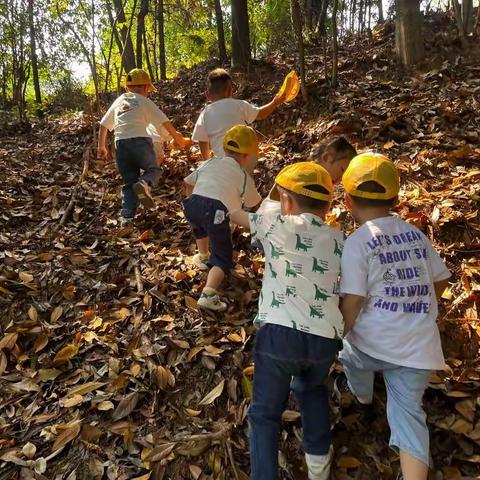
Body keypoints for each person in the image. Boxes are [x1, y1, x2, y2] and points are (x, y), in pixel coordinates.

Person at [335, 152, 451, 480]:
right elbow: (441, 280)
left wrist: (337, 335)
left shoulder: (357, 243)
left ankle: (363, 397)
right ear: (396, 199)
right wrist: (420, 305)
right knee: (408, 415)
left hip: (371, 346)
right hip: (418, 349)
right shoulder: (415, 234)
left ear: (346, 200)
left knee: (350, 357)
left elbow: (353, 301)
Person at [229, 162, 345, 480]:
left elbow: (238, 216)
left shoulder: (275, 224)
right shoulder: (340, 239)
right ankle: (318, 466)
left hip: (279, 335)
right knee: (312, 389)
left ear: (287, 201)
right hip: (324, 339)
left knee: (265, 414)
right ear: (329, 205)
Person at [183, 125, 262, 311]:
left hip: (192, 204)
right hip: (215, 211)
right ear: (247, 156)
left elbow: (187, 182)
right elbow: (253, 203)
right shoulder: (243, 177)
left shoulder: (210, 162)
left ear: (224, 148)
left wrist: (190, 198)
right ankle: (208, 293)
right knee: (222, 257)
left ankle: (203, 257)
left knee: (200, 227)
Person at [98, 68, 188, 224]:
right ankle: (144, 183)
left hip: (120, 144)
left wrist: (102, 147)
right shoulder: (145, 101)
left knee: (129, 182)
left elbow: (103, 125)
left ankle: (126, 217)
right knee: (153, 169)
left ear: (127, 88)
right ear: (146, 87)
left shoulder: (119, 101)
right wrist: (177, 138)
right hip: (141, 141)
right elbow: (164, 121)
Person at [192, 68, 286, 173]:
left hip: (222, 163)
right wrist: (275, 102)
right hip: (245, 159)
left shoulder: (206, 113)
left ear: (207, 95)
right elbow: (261, 114)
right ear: (230, 91)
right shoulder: (239, 105)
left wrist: (207, 161)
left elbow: (202, 141)